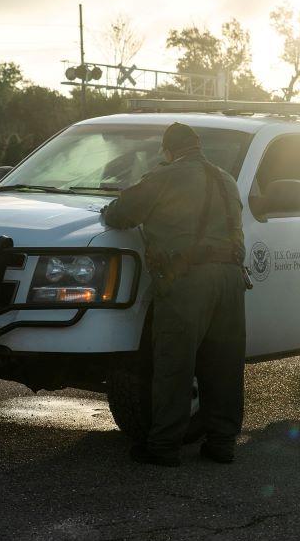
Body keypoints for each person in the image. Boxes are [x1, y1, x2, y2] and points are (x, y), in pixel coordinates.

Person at [102, 122, 247, 467]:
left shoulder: (166, 175)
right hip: (230, 279)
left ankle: (164, 446)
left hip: (188, 280)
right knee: (224, 366)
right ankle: (222, 443)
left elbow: (122, 214)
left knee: (174, 365)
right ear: (198, 146)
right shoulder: (226, 179)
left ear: (168, 150)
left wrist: (107, 210)